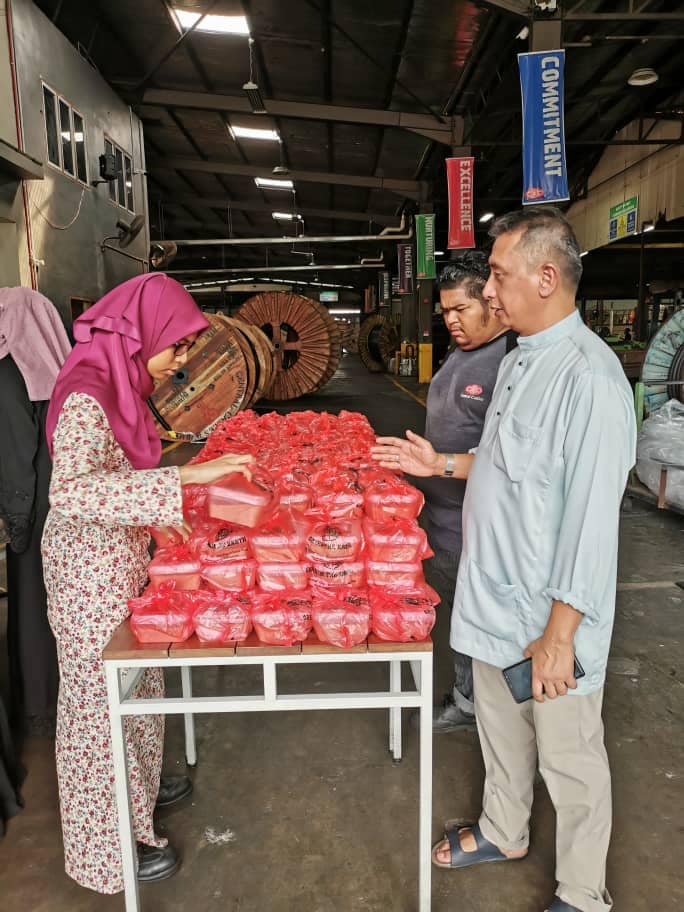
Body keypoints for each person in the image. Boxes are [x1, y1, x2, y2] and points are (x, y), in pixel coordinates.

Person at [372, 207, 636, 912]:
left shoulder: (590, 380)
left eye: (497, 274)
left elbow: (589, 522)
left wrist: (560, 635)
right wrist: (444, 461)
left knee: (570, 758)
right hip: (496, 596)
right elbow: (508, 461)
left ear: (547, 277)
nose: (488, 292)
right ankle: (503, 829)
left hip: (550, 614)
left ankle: (583, 894)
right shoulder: (521, 357)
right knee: (500, 729)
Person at [41, 273, 254, 894]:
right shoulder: (87, 390)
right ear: (141, 334)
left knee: (135, 687)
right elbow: (72, 489)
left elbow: (119, 474)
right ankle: (106, 852)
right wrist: (188, 478)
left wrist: (164, 518)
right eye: (177, 346)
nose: (181, 361)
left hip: (121, 560)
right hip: (87, 572)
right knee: (95, 711)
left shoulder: (123, 382)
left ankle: (136, 799)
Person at [416, 254, 516, 733]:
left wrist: (439, 466)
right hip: (442, 520)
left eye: (461, 309)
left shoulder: (510, 362)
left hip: (476, 527)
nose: (451, 320)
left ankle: (477, 707)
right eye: (446, 312)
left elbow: (508, 460)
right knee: (456, 615)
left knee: (478, 622)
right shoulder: (460, 353)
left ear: (492, 301)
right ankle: (467, 692)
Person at [0, 288, 71, 739]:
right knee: (61, 608)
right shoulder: (62, 372)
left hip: (35, 508)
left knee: (31, 605)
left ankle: (40, 704)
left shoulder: (8, 373)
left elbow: (13, 456)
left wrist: (17, 526)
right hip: (66, 506)